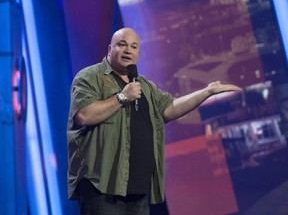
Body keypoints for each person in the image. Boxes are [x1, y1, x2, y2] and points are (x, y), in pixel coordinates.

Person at [67, 27, 241, 215]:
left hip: (137, 189)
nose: (128, 50)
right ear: (110, 49)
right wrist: (122, 97)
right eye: (122, 45)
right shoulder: (90, 77)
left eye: (133, 47)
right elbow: (84, 115)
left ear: (138, 54)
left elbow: (169, 108)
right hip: (101, 188)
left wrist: (206, 92)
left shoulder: (145, 86)